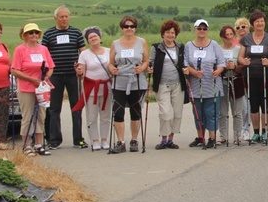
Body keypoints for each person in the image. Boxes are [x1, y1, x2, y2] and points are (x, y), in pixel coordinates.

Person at [41, 5, 87, 149]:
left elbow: (83, 52)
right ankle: (54, 140)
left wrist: (81, 66)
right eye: (61, 17)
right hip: (55, 75)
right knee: (54, 108)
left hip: (72, 75)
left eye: (67, 16)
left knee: (76, 107)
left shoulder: (76, 32)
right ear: (55, 18)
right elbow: (43, 53)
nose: (64, 19)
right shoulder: (48, 34)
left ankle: (78, 139)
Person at [11, 23, 54, 156]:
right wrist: (30, 79)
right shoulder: (20, 50)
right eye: (30, 33)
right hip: (26, 88)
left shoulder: (43, 49)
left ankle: (39, 144)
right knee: (28, 116)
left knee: (41, 115)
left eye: (36, 32)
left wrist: (46, 77)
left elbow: (51, 66)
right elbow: (14, 70)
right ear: (25, 36)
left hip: (41, 87)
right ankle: (26, 145)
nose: (34, 35)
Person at [108, 15, 149, 153]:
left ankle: (134, 140)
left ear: (135, 28)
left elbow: (146, 61)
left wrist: (142, 68)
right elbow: (111, 62)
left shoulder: (142, 42)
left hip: (137, 81)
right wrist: (112, 69)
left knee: (135, 112)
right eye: (126, 26)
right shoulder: (115, 43)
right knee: (118, 112)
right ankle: (120, 141)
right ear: (122, 28)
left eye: (132, 26)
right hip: (119, 81)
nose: (129, 29)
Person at [184, 19, 226, 149]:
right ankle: (200, 136)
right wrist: (194, 72)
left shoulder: (214, 45)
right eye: (199, 28)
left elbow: (221, 63)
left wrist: (217, 71)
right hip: (196, 85)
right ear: (195, 30)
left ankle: (212, 138)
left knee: (211, 112)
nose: (202, 31)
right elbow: (185, 64)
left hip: (212, 84)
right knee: (198, 112)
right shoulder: (189, 45)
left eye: (204, 29)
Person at [149, 19, 187, 150]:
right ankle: (163, 139)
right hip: (162, 84)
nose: (170, 35)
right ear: (163, 34)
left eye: (173, 32)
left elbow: (185, 63)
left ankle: (171, 139)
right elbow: (151, 63)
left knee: (177, 113)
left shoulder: (181, 47)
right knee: (165, 112)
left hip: (178, 84)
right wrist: (150, 69)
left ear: (176, 34)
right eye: (168, 32)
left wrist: (186, 69)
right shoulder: (156, 47)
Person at [237, 10, 268, 144]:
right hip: (250, 75)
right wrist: (243, 62)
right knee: (253, 104)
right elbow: (240, 56)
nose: (260, 23)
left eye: (262, 21)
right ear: (252, 24)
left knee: (265, 103)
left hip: (266, 75)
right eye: (257, 21)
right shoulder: (246, 39)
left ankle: (265, 131)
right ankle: (256, 132)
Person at [75, 27, 112, 151]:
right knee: (91, 116)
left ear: (100, 38)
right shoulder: (84, 54)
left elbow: (113, 66)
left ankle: (104, 139)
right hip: (91, 89)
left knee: (106, 115)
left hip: (107, 88)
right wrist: (79, 72)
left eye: (95, 36)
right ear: (87, 41)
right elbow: (81, 73)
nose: (93, 38)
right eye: (90, 37)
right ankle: (94, 140)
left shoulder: (109, 51)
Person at [219, 25, 244, 145]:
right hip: (222, 81)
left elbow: (243, 67)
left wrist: (235, 67)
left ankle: (237, 135)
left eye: (231, 34)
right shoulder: (218, 49)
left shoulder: (239, 49)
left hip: (236, 81)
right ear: (222, 37)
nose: (229, 37)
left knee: (237, 112)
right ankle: (223, 136)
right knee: (222, 112)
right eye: (226, 35)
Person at [234, 17, 252, 140]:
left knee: (250, 104)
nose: (241, 29)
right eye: (238, 27)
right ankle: (241, 129)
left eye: (243, 26)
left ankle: (247, 128)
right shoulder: (234, 43)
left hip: (251, 75)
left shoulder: (252, 40)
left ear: (248, 27)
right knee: (242, 106)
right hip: (238, 75)